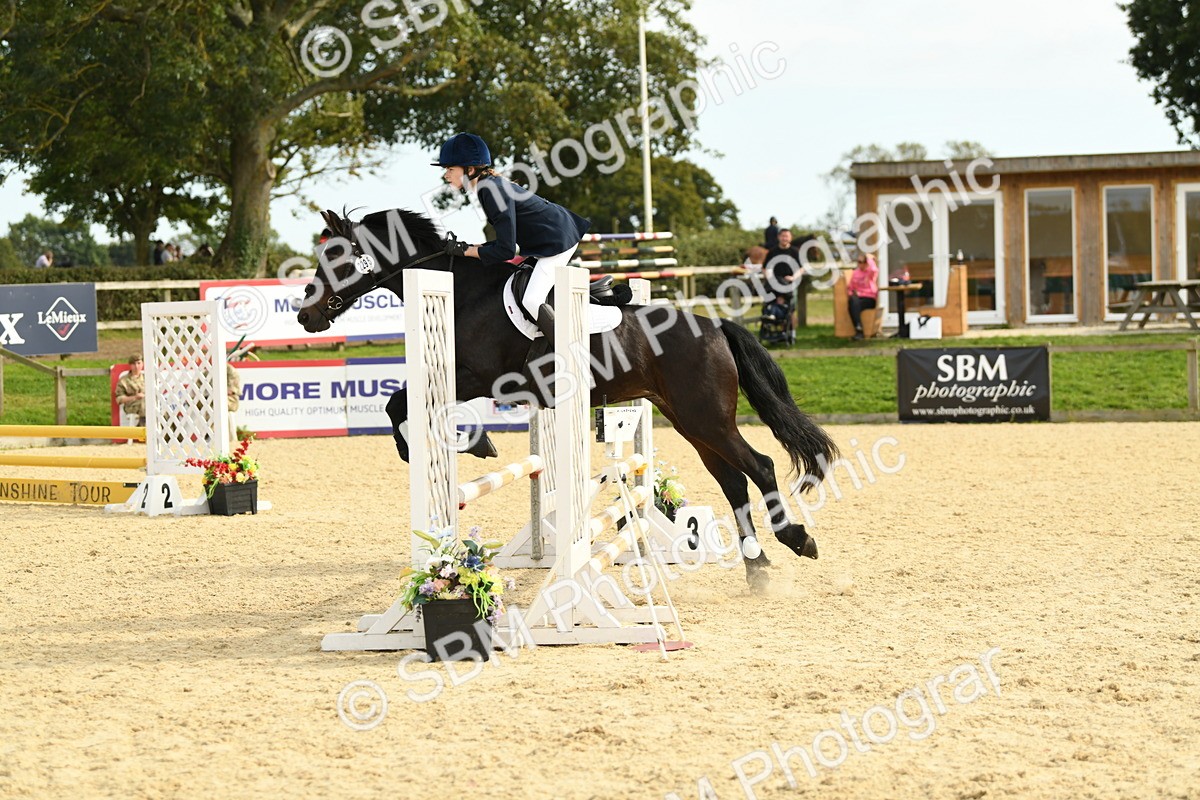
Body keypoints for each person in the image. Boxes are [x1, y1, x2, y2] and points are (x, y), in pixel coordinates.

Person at [432, 132, 590, 346]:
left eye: (450, 169)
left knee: (532, 301)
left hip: (558, 241)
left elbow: (506, 251)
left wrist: (466, 251)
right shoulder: (488, 186)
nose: (446, 175)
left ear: (470, 170)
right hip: (556, 236)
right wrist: (469, 247)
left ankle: (571, 352)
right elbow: (503, 244)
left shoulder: (491, 191)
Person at [762, 228, 803, 325]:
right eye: (783, 236)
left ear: (790, 238)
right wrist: (770, 277)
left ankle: (789, 327)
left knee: (791, 306)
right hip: (774, 283)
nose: (785, 238)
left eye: (787, 236)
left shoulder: (795, 251)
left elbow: (801, 268)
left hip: (790, 282)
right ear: (779, 237)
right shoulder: (772, 251)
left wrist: (793, 277)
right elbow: (765, 268)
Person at [847, 252, 880, 340]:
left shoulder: (870, 272)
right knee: (852, 302)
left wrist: (870, 259)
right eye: (859, 262)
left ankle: (859, 330)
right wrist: (850, 294)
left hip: (869, 298)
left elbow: (874, 270)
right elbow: (850, 287)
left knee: (854, 305)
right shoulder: (855, 273)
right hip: (858, 298)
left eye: (863, 262)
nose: (861, 264)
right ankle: (858, 327)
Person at [115, 354, 146, 426]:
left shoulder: (147, 377)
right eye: (133, 364)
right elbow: (119, 399)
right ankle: (142, 430)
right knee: (143, 404)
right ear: (130, 365)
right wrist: (135, 397)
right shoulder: (124, 380)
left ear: (142, 364)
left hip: (148, 404)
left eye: (139, 363)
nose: (136, 366)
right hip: (132, 405)